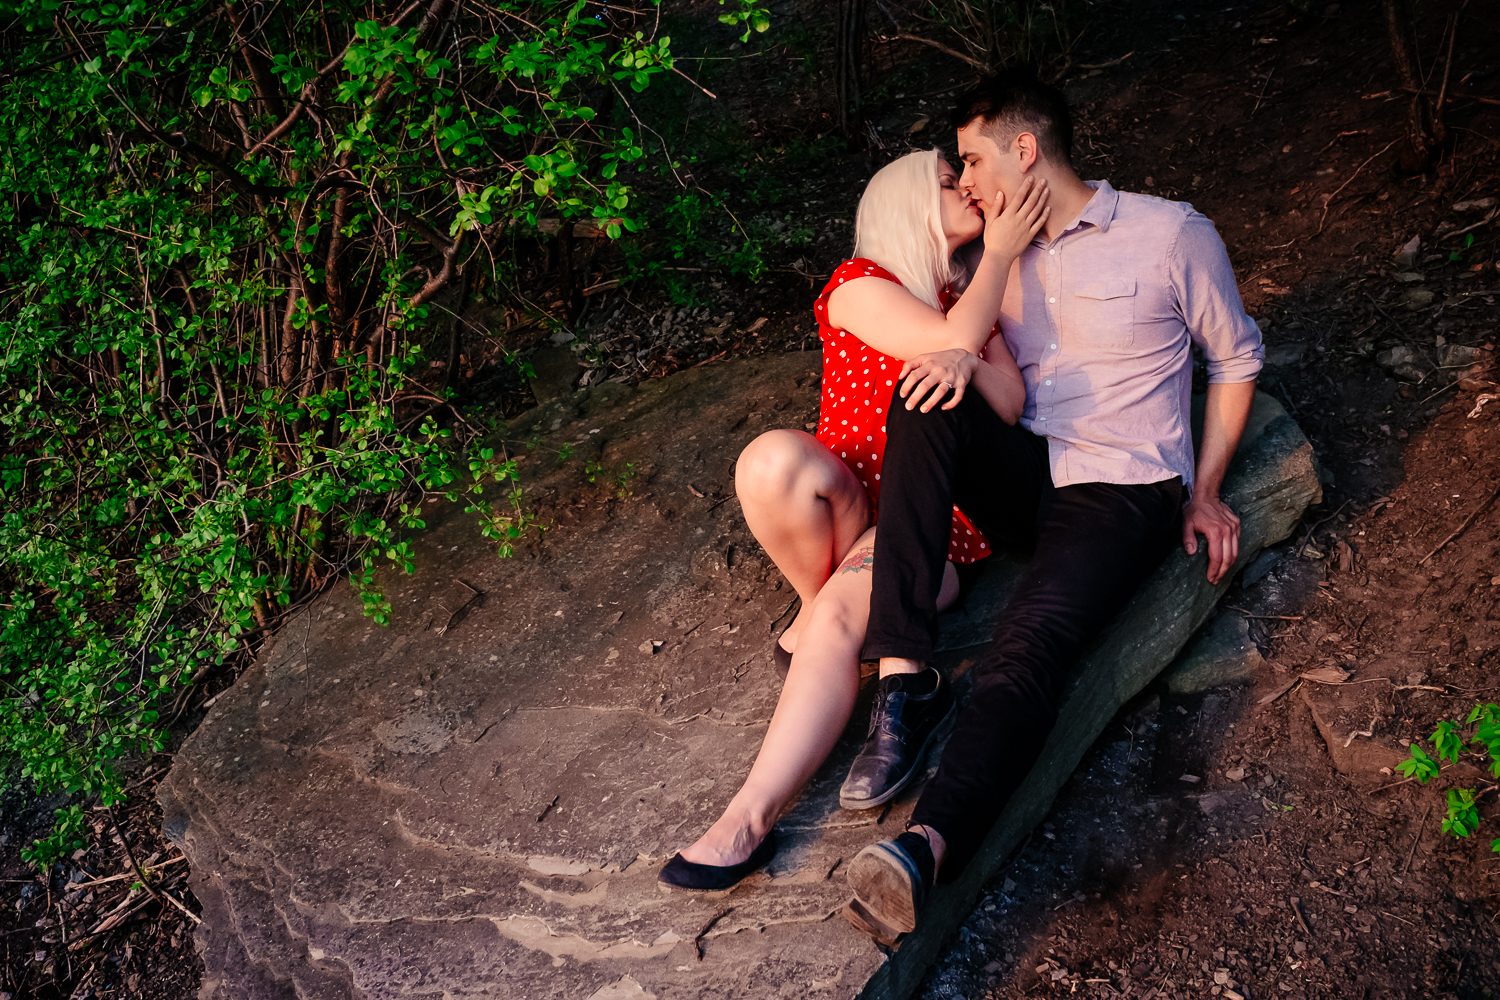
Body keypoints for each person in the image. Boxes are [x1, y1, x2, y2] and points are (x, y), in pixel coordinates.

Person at [840, 71, 1264, 943]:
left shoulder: (1169, 233)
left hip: (1121, 490)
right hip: (1034, 477)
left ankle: (925, 846)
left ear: (1023, 150)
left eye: (972, 161)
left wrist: (1209, 489)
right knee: (927, 392)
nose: (964, 183)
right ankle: (905, 676)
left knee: (1028, 645)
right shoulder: (989, 264)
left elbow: (1236, 361)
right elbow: (966, 363)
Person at [656, 148, 1051, 890]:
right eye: (947, 180)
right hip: (846, 501)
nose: (967, 186)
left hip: (927, 529)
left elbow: (1006, 403)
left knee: (839, 617)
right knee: (771, 459)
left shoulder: (968, 300)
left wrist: (982, 291)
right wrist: (990, 275)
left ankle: (745, 820)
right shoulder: (857, 285)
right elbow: (944, 345)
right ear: (904, 205)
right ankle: (833, 615)